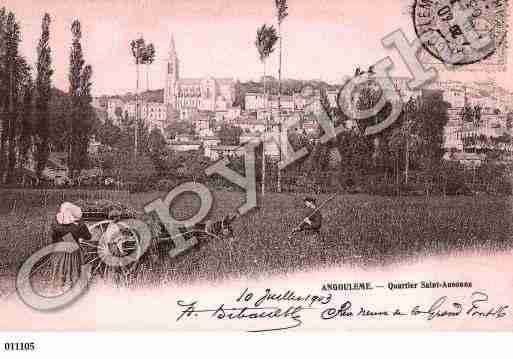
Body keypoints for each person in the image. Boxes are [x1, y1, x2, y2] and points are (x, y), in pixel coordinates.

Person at [51, 202, 92, 288]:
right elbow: (88, 237)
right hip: (73, 252)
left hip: (59, 252)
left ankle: (57, 288)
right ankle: (73, 288)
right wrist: (81, 224)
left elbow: (54, 237)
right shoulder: (79, 227)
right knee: (74, 271)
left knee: (59, 270)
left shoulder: (56, 226)